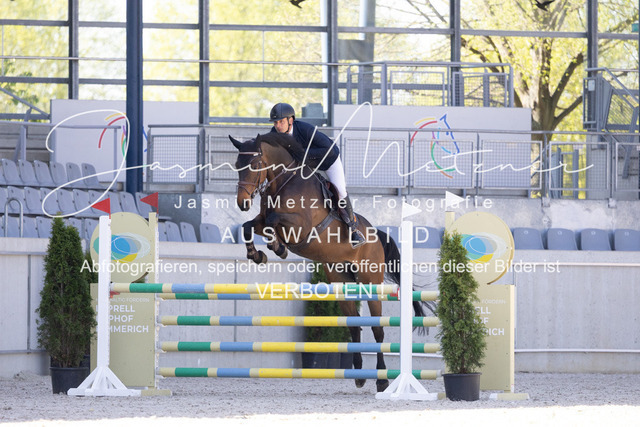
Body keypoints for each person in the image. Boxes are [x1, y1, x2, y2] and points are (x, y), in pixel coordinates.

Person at [269, 102, 366, 248]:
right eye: (275, 122)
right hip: (306, 165)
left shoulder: (305, 129)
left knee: (340, 191)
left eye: (281, 122)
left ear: (291, 120)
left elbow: (329, 149)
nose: (278, 126)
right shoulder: (274, 134)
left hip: (328, 161)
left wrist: (303, 154)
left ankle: (353, 229)